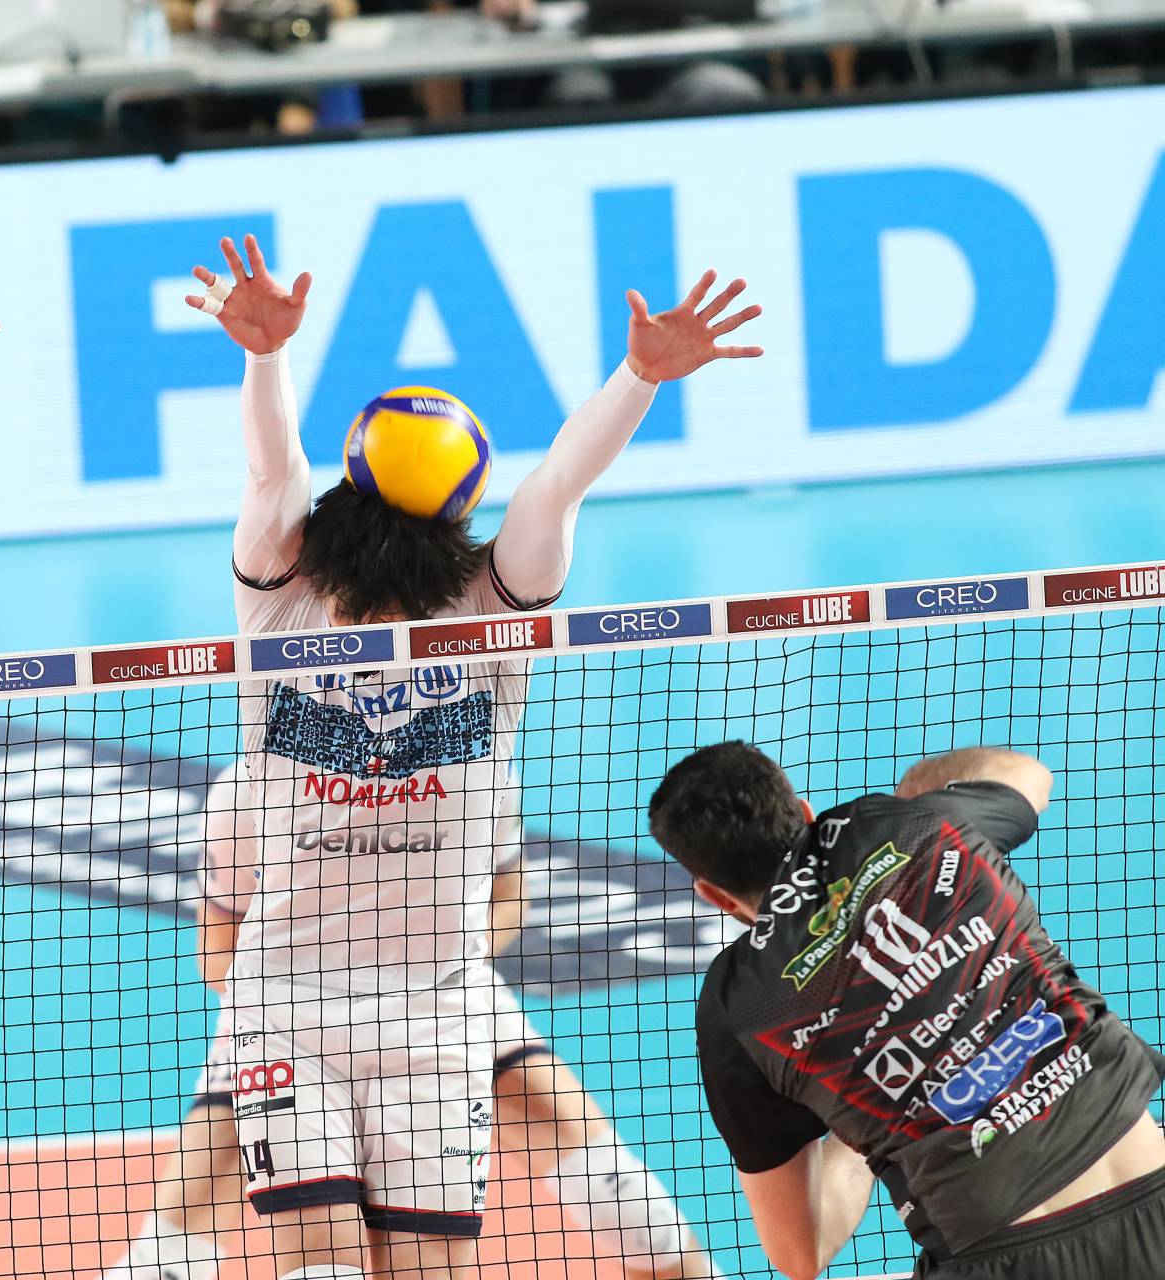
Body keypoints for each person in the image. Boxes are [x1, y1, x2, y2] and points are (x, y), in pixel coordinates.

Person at [186, 233, 761, 1280]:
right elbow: (286, 471)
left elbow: (556, 485)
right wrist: (266, 358)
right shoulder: (287, 599)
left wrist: (641, 378)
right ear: (461, 508)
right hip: (286, 1006)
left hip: (442, 1012)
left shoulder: (480, 611)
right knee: (320, 1263)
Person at [102, 775, 725, 1279]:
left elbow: (510, 894)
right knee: (200, 1206)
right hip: (293, 1012)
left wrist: (446, 965)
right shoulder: (250, 788)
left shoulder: (472, 769)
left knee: (595, 1164)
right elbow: (218, 951)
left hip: (442, 1003)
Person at [646, 741, 1165, 1279]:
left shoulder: (736, 1008)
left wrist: (863, 1125)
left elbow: (801, 1253)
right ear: (803, 811)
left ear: (714, 895)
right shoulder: (921, 823)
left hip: (999, 1262)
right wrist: (907, 796)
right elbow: (1026, 772)